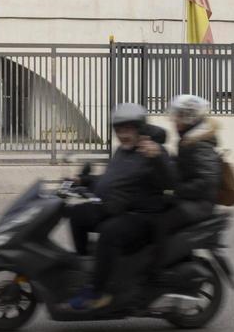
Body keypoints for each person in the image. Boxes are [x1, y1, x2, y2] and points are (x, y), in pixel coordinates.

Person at [66, 103, 174, 311]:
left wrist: (157, 159)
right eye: (119, 130)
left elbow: (170, 182)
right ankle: (88, 269)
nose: (123, 134)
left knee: (109, 232)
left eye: (128, 129)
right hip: (118, 207)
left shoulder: (153, 150)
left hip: (142, 216)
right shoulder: (122, 151)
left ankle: (99, 292)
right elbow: (110, 180)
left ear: (140, 128)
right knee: (77, 214)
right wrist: (84, 180)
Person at [160, 94, 224, 237]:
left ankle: (161, 251)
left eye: (178, 116)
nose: (174, 120)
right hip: (191, 199)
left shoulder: (200, 144)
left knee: (162, 221)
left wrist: (177, 191)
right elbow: (181, 168)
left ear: (189, 116)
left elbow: (208, 180)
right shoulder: (188, 139)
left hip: (200, 204)